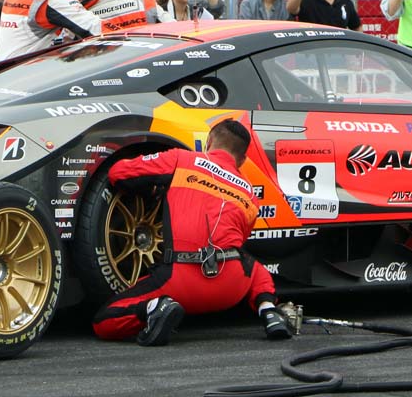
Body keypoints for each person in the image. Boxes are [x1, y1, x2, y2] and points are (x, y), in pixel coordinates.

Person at [92, 119, 292, 345]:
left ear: (209, 142)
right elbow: (237, 243)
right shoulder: (250, 194)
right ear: (243, 160)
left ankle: (154, 308)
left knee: (104, 321)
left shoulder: (182, 159)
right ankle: (269, 311)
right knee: (250, 265)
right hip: (230, 289)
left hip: (180, 282)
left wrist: (154, 188)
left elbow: (118, 173)